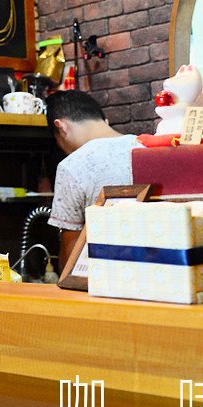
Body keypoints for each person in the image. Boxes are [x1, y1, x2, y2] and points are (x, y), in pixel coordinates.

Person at [44, 90, 142, 271]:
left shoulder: (72, 165)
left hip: (105, 277)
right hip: (159, 272)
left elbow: (71, 256)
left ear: (61, 127)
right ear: (105, 122)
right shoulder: (146, 148)